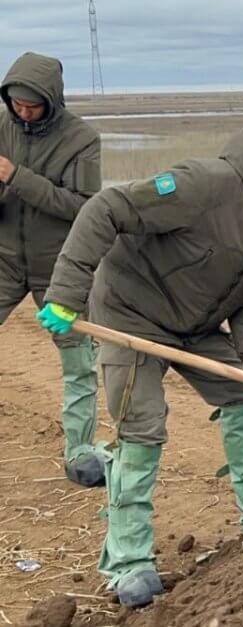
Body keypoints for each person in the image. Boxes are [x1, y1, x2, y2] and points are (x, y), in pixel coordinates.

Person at [37, 127, 243, 607]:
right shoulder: (205, 183)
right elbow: (106, 208)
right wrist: (66, 296)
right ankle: (127, 561)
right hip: (129, 313)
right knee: (141, 430)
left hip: (193, 326)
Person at [0, 52, 105, 487]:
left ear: (52, 100)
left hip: (62, 268)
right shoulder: (1, 126)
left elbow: (83, 207)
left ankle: (80, 453)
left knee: (79, 361)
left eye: (33, 106)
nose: (23, 114)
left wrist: (17, 177)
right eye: (16, 106)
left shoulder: (82, 139)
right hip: (3, 259)